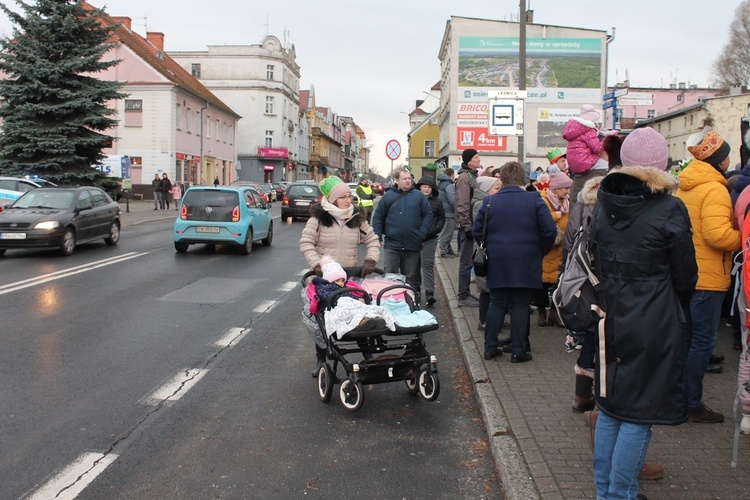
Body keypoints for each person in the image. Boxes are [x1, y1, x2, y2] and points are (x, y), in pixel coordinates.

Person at [591, 126, 698, 499]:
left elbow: (596, 259)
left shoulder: (603, 203)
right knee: (639, 413)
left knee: (611, 407)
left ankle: (605, 491)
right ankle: (618, 495)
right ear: (661, 166)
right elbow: (686, 276)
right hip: (654, 319)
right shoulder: (669, 208)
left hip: (611, 315)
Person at [675, 129, 741, 423]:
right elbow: (717, 235)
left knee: (687, 341)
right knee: (702, 342)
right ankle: (692, 402)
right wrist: (743, 238)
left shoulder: (687, 185)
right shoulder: (715, 188)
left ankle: (679, 400)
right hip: (709, 277)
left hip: (687, 275)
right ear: (720, 159)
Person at [473, 161, 557, 362]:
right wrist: (540, 251)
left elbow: (477, 232)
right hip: (527, 260)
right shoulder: (535, 200)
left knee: (497, 303)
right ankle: (519, 351)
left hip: (497, 260)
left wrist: (489, 248)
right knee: (520, 305)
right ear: (523, 178)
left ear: (501, 178)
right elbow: (549, 231)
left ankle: (490, 348)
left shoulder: (489, 202)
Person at [299, 175, 381, 376]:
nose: (347, 201)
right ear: (332, 199)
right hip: (325, 277)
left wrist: (370, 260)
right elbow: (306, 243)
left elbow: (372, 239)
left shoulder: (356, 219)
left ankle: (367, 354)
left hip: (349, 277)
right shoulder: (318, 219)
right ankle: (321, 358)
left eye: (349, 196)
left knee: (357, 313)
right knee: (323, 320)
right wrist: (318, 265)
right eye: (343, 197)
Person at [371, 167, 433, 287]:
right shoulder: (388, 196)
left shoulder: (418, 196)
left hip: (413, 244)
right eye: (404, 179)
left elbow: (428, 215)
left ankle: (411, 302)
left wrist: (421, 233)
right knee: (390, 278)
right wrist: (377, 235)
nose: (408, 181)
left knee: (410, 279)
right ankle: (390, 302)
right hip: (392, 245)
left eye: (409, 178)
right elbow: (378, 217)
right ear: (397, 180)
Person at [535, 172, 572, 328]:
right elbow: (538, 219)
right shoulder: (542, 200)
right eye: (565, 188)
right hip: (545, 247)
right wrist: (556, 215)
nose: (567, 192)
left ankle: (554, 314)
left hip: (561, 247)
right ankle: (541, 312)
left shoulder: (567, 202)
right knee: (541, 283)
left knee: (559, 282)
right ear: (556, 189)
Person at [563, 104, 610, 205]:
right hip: (587, 164)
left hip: (576, 167)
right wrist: (606, 140)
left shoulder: (576, 131)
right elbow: (597, 148)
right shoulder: (589, 131)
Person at [472, 176, 502, 332]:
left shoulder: (491, 202)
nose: (499, 191)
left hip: (491, 249)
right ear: (486, 190)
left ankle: (494, 320)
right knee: (485, 288)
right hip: (484, 251)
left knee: (492, 288)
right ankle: (483, 320)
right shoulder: (480, 204)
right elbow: (479, 229)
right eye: (497, 188)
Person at [455, 148, 481, 307]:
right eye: (477, 157)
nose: (479, 159)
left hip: (471, 224)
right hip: (467, 226)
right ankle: (463, 295)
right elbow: (463, 204)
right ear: (469, 160)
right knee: (466, 262)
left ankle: (466, 293)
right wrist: (467, 226)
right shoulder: (465, 178)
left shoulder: (471, 176)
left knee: (469, 261)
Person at [415, 175, 445, 307]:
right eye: (424, 187)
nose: (426, 189)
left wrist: (436, 229)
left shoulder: (437, 202)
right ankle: (415, 292)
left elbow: (441, 218)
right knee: (414, 267)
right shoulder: (413, 200)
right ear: (419, 188)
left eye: (429, 187)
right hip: (414, 239)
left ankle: (429, 293)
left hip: (430, 238)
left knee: (427, 265)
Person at [437, 168, 458, 258]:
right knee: (447, 233)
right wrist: (458, 210)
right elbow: (453, 200)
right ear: (452, 175)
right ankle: (444, 251)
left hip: (444, 211)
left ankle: (448, 249)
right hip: (449, 213)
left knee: (447, 233)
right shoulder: (449, 185)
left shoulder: (441, 183)